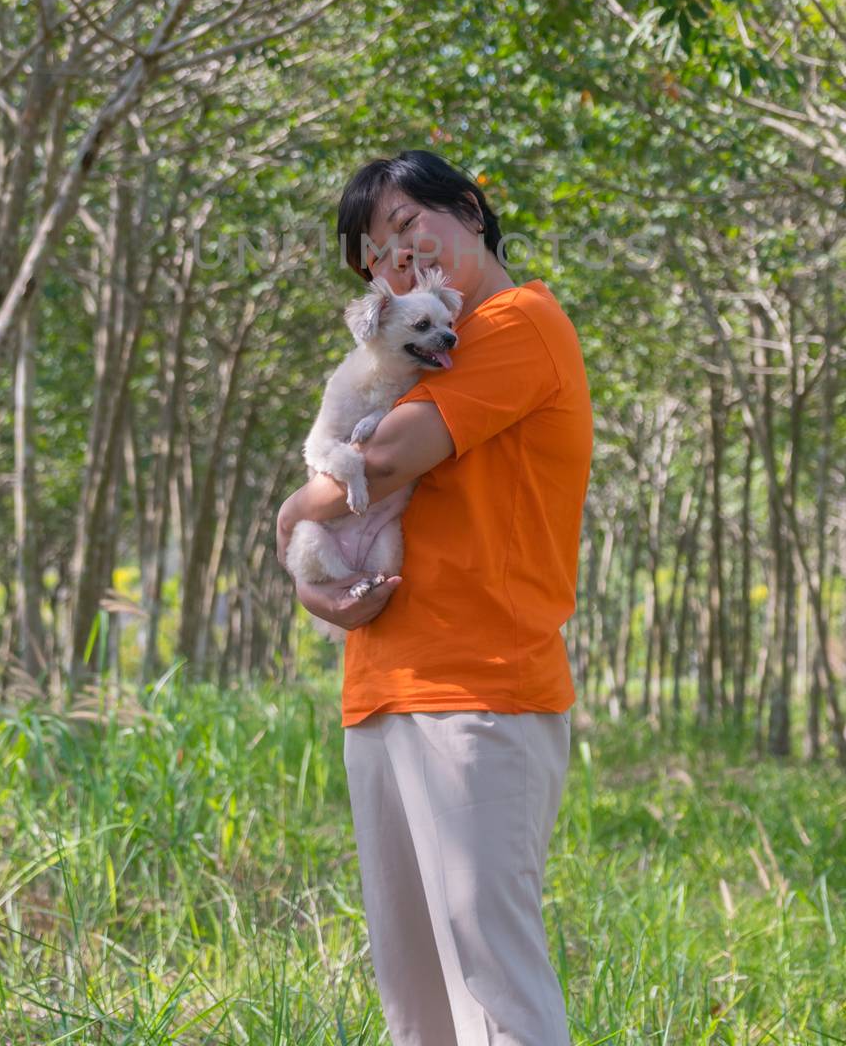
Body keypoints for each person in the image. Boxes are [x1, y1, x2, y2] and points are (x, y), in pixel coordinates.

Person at [276, 150, 594, 1045]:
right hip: (384, 685)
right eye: (376, 257)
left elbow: (377, 463)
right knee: (416, 1004)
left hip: (480, 688)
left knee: (494, 993)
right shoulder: (414, 356)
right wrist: (316, 582)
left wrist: (287, 514)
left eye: (410, 228)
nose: (399, 262)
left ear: (470, 210)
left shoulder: (513, 324)